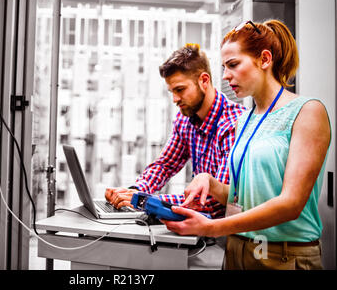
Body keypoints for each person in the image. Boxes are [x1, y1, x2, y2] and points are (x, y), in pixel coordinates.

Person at [162, 20, 330, 270]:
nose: (226, 75)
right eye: (224, 67)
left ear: (264, 59)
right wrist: (210, 181)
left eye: (233, 65)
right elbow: (247, 197)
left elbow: (290, 204)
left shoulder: (307, 112)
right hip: (238, 251)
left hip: (284, 257)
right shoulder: (245, 119)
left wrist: (210, 227)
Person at [105, 43, 245, 218]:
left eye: (180, 90)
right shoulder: (185, 119)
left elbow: (212, 203)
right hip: (197, 228)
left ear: (204, 80)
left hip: (223, 232)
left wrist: (144, 202)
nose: (175, 99)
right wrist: (134, 192)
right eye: (172, 91)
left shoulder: (234, 124)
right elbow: (165, 165)